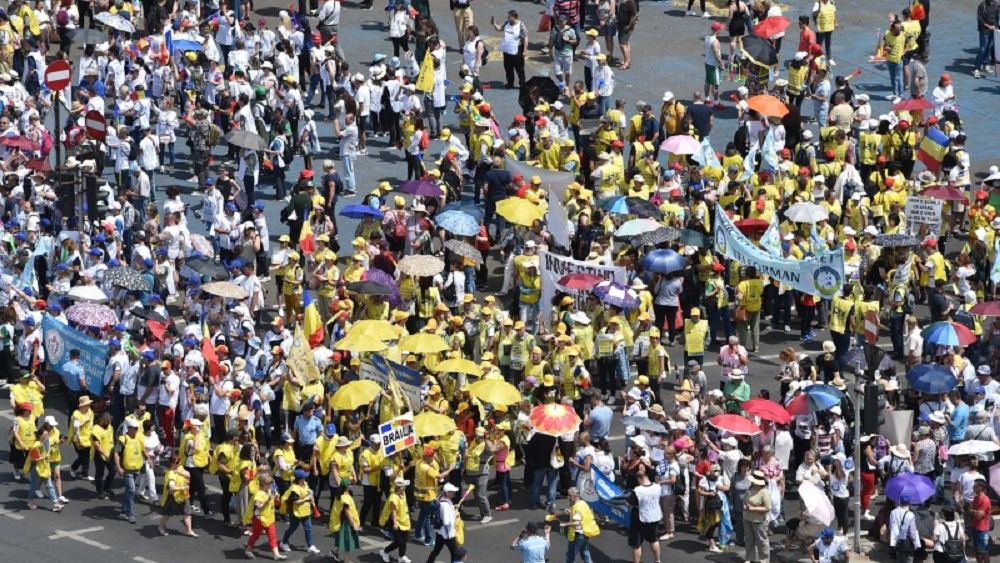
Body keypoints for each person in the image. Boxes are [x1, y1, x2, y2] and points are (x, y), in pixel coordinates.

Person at [425, 483, 460, 563]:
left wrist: (453, 508)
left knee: (436, 550)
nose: (454, 493)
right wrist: (456, 515)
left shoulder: (441, 499)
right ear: (447, 493)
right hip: (447, 534)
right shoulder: (446, 505)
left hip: (440, 532)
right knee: (454, 552)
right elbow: (447, 522)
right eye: (452, 491)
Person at [743, 470, 771, 563]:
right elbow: (746, 501)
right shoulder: (750, 488)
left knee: (762, 541)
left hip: (759, 520)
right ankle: (749, 558)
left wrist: (752, 509)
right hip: (747, 518)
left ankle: (764, 560)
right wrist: (745, 506)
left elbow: (767, 508)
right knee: (749, 540)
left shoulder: (764, 492)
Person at [890, 495, 920, 563]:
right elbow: (912, 532)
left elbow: (891, 526)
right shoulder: (910, 515)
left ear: (900, 502)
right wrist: (916, 544)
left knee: (899, 559)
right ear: (909, 503)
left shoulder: (893, 512)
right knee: (908, 560)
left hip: (897, 541)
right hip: (907, 542)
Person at [970, 479, 992, 563]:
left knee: (984, 552)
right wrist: (974, 512)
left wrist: (973, 511)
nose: (973, 487)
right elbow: (970, 510)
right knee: (976, 550)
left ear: (980, 487)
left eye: (975, 486)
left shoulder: (985, 500)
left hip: (982, 530)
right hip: (974, 527)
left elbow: (979, 516)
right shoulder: (976, 498)